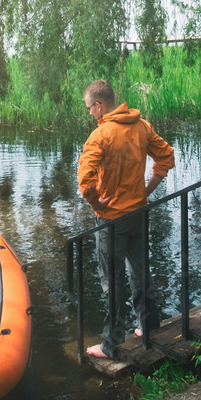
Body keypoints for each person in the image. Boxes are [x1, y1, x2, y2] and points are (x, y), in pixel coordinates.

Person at [77, 79, 175, 359]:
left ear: (99, 105)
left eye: (89, 108)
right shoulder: (141, 126)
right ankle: (147, 324)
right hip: (139, 214)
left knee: (112, 280)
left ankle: (111, 344)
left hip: (111, 220)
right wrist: (147, 190)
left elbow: (84, 180)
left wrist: (95, 200)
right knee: (140, 271)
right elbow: (166, 156)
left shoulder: (101, 135)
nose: (89, 114)